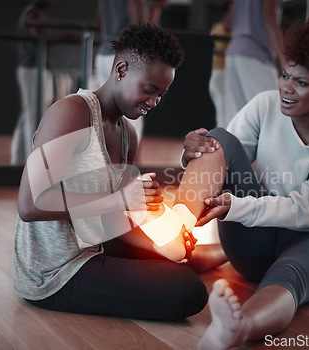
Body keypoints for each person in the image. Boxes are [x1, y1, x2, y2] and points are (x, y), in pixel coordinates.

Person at [178, 16, 309, 348]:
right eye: (284, 74)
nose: (286, 88)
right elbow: (224, 155)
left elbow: (307, 210)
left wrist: (235, 206)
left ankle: (236, 329)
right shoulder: (265, 105)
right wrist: (193, 152)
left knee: (289, 274)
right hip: (256, 243)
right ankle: (175, 234)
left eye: (302, 83)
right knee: (219, 137)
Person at [12, 23, 209, 321]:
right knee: (188, 291)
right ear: (121, 69)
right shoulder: (71, 112)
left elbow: (110, 220)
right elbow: (30, 204)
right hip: (55, 271)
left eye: (161, 94)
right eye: (149, 90)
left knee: (181, 261)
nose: (154, 102)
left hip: (95, 246)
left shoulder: (128, 132)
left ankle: (195, 257)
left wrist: (158, 235)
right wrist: (121, 199)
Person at [95, 0, 170, 144]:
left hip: (105, 54)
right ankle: (123, 164)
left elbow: (100, 22)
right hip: (127, 57)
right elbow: (141, 31)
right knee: (131, 120)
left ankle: (108, 163)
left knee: (107, 117)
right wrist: (156, 6)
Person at [11, 0, 74, 165]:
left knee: (28, 116)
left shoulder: (34, 12)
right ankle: (32, 163)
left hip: (31, 69)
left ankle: (19, 162)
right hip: (33, 69)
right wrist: (66, 36)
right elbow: (40, 37)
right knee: (35, 116)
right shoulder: (33, 13)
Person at [223, 0, 287, 125]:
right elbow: (269, 18)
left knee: (235, 122)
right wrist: (285, 60)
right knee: (275, 114)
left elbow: (227, 24)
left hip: (234, 51)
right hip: (255, 53)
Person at [209, 15, 231, 128]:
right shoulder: (223, 26)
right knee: (224, 113)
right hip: (221, 73)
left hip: (219, 74)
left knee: (223, 113)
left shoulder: (216, 26)